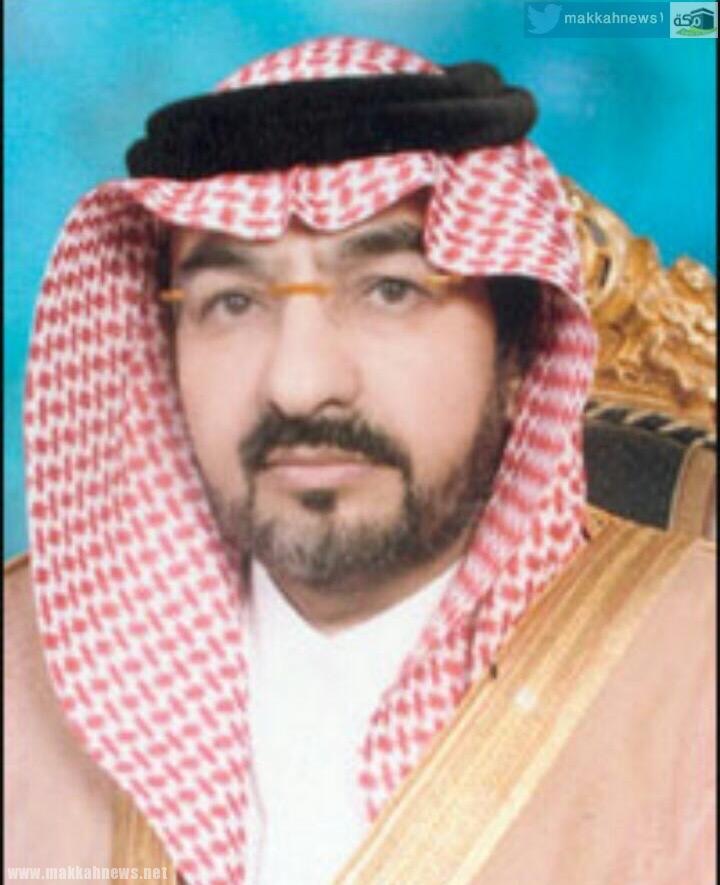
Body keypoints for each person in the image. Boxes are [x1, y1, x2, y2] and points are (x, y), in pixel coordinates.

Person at [5, 37, 715, 885]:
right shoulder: (19, 665)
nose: (301, 385)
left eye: (389, 290)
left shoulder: (697, 671)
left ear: (521, 352)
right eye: (232, 301)